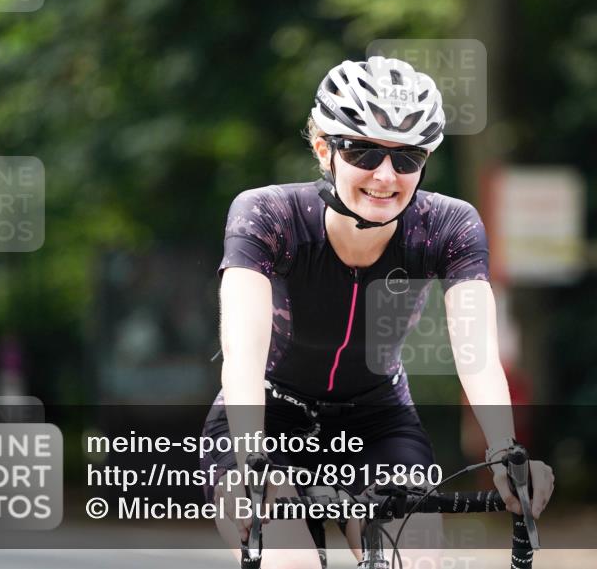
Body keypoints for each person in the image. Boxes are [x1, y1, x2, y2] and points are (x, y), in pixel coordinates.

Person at [201, 56, 554, 568]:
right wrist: (249, 458)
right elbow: (243, 353)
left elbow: (476, 356)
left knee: (413, 559)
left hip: (378, 423)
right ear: (325, 150)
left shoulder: (448, 226)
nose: (386, 177)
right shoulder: (268, 215)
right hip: (265, 418)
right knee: (289, 561)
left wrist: (505, 452)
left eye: (407, 159)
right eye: (365, 152)